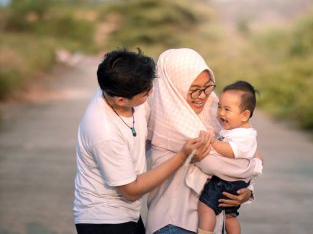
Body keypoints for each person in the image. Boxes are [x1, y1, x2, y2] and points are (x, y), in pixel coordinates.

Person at [73, 48, 212, 234]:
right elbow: (131, 191)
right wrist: (182, 156)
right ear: (122, 100)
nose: (152, 92)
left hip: (128, 215)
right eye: (146, 93)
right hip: (104, 220)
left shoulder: (120, 86)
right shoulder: (103, 131)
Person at [146, 48, 263, 234]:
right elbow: (218, 164)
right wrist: (254, 168)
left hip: (210, 223)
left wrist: (247, 192)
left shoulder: (213, 112)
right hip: (175, 222)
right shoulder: (170, 122)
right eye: (193, 90)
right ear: (175, 87)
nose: (202, 96)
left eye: (208, 87)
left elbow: (244, 150)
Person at [198, 81, 260, 234]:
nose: (221, 113)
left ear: (245, 115)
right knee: (230, 216)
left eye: (227, 109)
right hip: (236, 183)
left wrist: (211, 141)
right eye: (219, 107)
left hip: (226, 183)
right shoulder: (237, 130)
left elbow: (231, 151)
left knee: (206, 207)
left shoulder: (244, 135)